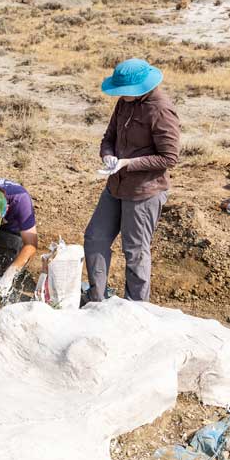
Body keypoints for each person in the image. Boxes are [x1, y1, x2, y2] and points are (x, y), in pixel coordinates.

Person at [84, 58, 180, 302]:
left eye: (124, 91)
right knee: (95, 238)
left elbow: (169, 157)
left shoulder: (160, 109)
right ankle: (97, 299)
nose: (120, 95)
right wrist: (108, 155)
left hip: (144, 192)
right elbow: (109, 137)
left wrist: (129, 163)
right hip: (115, 186)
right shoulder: (124, 103)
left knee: (135, 251)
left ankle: (136, 308)